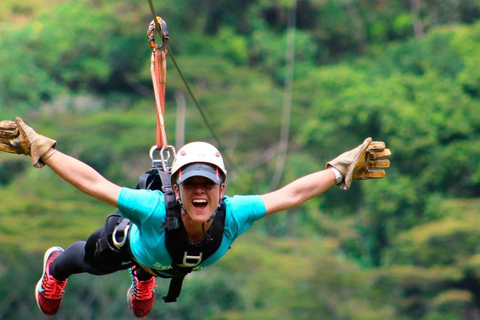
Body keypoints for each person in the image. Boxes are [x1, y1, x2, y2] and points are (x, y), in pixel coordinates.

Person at [0, 117, 391, 318]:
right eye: (191, 185)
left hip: (164, 260)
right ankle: (54, 269)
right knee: (94, 257)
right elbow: (95, 183)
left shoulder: (234, 214)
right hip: (138, 246)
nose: (200, 192)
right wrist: (42, 150)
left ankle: (145, 278)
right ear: (178, 188)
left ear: (222, 189)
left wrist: (339, 170)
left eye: (208, 185)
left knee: (156, 267)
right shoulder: (153, 208)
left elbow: (290, 194)